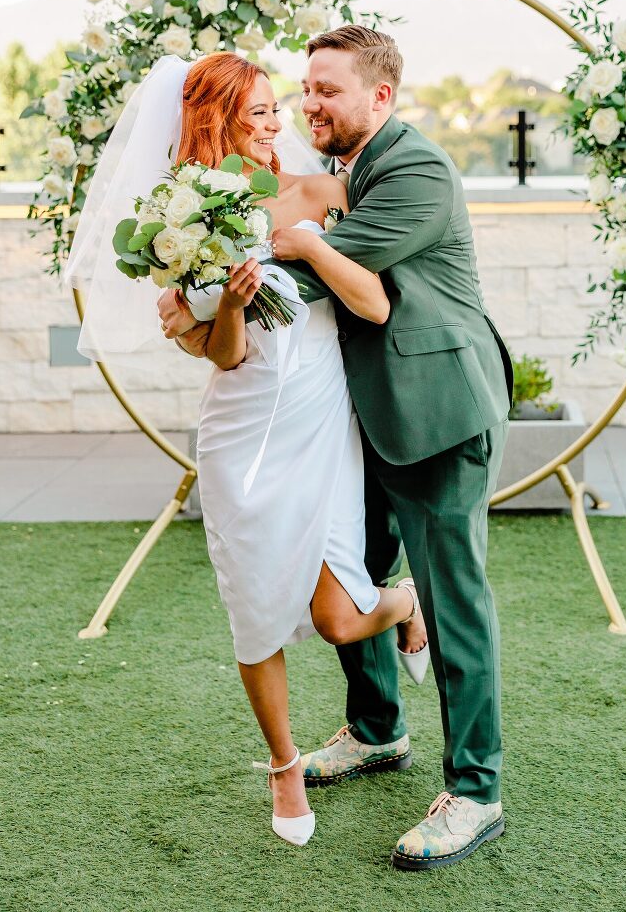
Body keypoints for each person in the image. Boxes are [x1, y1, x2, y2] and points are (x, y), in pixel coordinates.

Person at [164, 27, 514, 871]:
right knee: (352, 574)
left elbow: (315, 274)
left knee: (453, 597)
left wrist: (204, 294)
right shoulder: (345, 171)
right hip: (356, 418)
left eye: (328, 90)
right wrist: (204, 294)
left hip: (434, 413)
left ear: (381, 98)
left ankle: (475, 791)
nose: (309, 104)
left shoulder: (417, 169)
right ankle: (376, 730)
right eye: (306, 89)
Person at [115, 52, 427, 850]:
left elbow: (377, 294)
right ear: (217, 118)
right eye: (256, 111)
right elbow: (222, 355)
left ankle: (402, 604)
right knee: (255, 614)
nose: (274, 121)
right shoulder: (179, 220)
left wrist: (309, 248)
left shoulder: (320, 191)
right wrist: (227, 305)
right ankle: (284, 766)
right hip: (240, 434)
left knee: (336, 617)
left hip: (321, 425)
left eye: (273, 108)